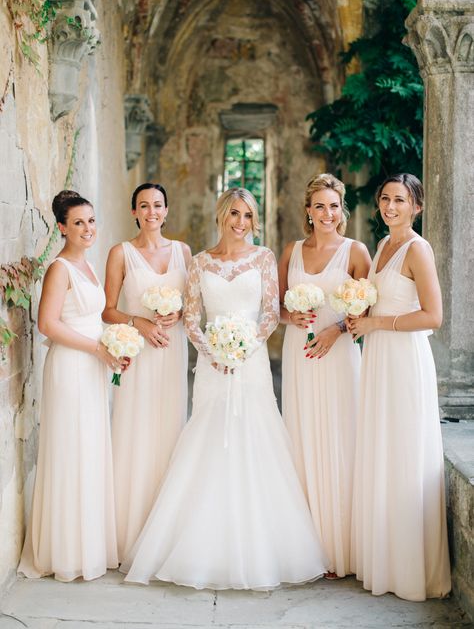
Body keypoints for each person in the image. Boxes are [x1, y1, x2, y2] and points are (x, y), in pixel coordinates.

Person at [121, 187, 328, 590]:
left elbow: (270, 313)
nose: (240, 223)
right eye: (234, 214)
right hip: (213, 366)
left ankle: (261, 546)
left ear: (254, 220)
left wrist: (245, 347)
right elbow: (191, 318)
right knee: (208, 441)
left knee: (256, 440)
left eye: (247, 216)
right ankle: (200, 546)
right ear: (221, 216)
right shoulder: (198, 263)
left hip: (250, 364)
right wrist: (213, 351)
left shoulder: (264, 258)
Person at [347, 173, 451, 600]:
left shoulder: (416, 249)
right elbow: (377, 299)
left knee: (405, 451)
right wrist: (355, 313)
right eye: (385, 199)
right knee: (382, 450)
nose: (390, 206)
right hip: (378, 359)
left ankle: (410, 569)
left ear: (416, 207)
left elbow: (433, 316)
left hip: (405, 360)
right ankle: (384, 562)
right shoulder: (382, 247)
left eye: (400, 200)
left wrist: (376, 322)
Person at [18, 190, 122, 582]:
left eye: (91, 221)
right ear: (62, 228)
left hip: (93, 365)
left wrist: (112, 346)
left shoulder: (89, 267)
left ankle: (87, 546)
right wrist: (98, 348)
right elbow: (48, 325)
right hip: (70, 367)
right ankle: (64, 551)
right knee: (71, 451)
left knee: (89, 450)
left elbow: (94, 318)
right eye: (78, 223)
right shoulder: (59, 268)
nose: (88, 228)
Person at [279, 173, 371, 579]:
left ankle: (341, 548)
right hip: (299, 355)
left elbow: (367, 308)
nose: (327, 213)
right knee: (303, 436)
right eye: (320, 206)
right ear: (308, 211)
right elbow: (276, 306)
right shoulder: (292, 251)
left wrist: (335, 331)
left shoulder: (356, 251)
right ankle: (307, 547)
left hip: (337, 353)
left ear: (342, 210)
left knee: (339, 436)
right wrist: (290, 315)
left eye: (334, 206)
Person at [103, 183, 191, 562]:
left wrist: (181, 313)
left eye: (158, 205)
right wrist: (138, 321)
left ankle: (164, 536)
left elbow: (195, 307)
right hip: (137, 355)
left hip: (171, 354)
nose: (151, 211)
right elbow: (107, 310)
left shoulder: (184, 252)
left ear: (167, 210)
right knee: (133, 435)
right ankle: (127, 535)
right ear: (134, 211)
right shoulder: (120, 253)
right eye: (144, 205)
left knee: (170, 434)